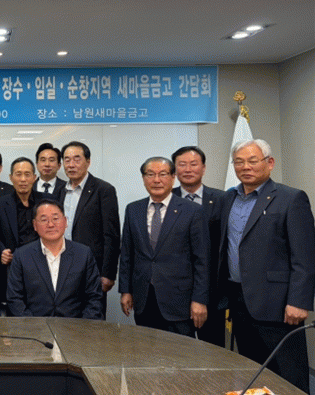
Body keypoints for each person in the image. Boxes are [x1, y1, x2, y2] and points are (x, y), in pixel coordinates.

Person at [218, 139, 315, 394]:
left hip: (278, 304)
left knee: (288, 374)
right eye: (239, 162)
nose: (245, 167)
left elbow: (304, 256)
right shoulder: (228, 198)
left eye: (252, 161)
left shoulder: (291, 198)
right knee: (253, 370)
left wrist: (299, 301)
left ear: (269, 163)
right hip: (239, 300)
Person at [118, 157, 209, 337]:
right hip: (144, 298)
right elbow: (127, 254)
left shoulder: (192, 211)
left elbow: (202, 260)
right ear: (143, 178)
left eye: (163, 174)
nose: (156, 180)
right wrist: (126, 290)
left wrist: (200, 299)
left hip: (179, 301)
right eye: (150, 174)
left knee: (180, 351)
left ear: (173, 177)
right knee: (145, 347)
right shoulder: (133, 209)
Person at [6, 199, 103, 318]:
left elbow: (94, 297)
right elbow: (14, 298)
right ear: (35, 225)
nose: (51, 224)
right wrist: (32, 325)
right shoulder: (22, 255)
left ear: (65, 222)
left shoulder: (83, 254)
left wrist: (82, 327)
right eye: (44, 220)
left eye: (55, 218)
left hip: (75, 326)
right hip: (34, 326)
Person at [58, 141, 120, 316]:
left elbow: (112, 235)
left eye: (77, 159)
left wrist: (108, 273)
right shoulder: (60, 191)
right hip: (62, 266)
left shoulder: (103, 190)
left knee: (92, 319)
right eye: (67, 160)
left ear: (88, 161)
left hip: (92, 269)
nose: (71, 165)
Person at [171, 145, 225, 347]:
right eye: (182, 164)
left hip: (213, 291)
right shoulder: (165, 198)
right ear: (174, 170)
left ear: (203, 168)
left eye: (193, 164)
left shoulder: (223, 199)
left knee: (212, 351)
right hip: (174, 290)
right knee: (176, 350)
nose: (188, 169)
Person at [0, 157, 47, 304]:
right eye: (18, 174)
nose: (23, 179)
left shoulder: (46, 201)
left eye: (27, 174)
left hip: (42, 264)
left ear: (34, 177)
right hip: (12, 265)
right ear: (11, 178)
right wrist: (2, 251)